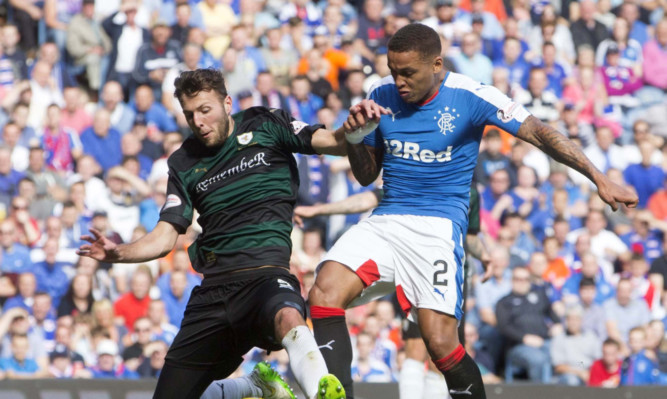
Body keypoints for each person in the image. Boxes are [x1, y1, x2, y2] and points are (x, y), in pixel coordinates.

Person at [308, 23, 637, 399]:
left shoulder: (471, 96)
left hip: (437, 228)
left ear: (436, 64)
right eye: (393, 70)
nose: (398, 81)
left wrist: (598, 177)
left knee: (440, 344)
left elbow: (538, 132)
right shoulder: (379, 93)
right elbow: (367, 176)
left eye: (408, 73)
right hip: (388, 219)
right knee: (323, 293)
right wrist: (353, 138)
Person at [77, 68, 364, 399]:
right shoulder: (183, 162)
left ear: (227, 103)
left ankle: (322, 392)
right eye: (189, 114)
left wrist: (355, 127)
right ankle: (255, 387)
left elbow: (333, 142)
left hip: (265, 276)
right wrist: (119, 253)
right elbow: (166, 236)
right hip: (213, 293)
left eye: (205, 110)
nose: (198, 121)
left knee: (289, 316)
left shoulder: (266, 123)